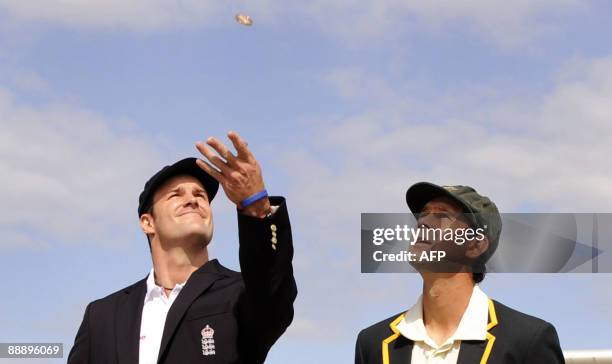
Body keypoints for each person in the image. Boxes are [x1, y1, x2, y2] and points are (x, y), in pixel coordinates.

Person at [68, 131, 297, 364]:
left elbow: (272, 285)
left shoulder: (242, 294)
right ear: (148, 222)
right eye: (175, 195)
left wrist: (257, 207)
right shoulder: (102, 316)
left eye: (200, 195)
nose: (193, 199)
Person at [355, 182, 564, 364]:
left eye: (443, 216)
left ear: (475, 246)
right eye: (424, 214)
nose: (423, 223)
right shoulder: (373, 342)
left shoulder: (527, 339)